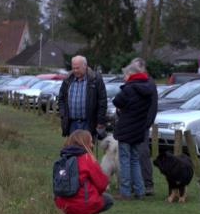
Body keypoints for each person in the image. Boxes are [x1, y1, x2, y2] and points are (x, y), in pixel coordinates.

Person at [112, 61, 156, 200]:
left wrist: (123, 108)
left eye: (125, 74)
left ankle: (125, 191)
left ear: (131, 74)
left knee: (125, 160)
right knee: (135, 160)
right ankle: (140, 190)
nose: (124, 77)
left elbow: (116, 102)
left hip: (126, 128)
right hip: (139, 129)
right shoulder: (148, 88)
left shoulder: (128, 89)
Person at [54, 130, 113, 214]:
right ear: (85, 143)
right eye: (90, 141)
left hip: (62, 203)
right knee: (108, 200)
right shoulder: (87, 158)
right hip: (83, 203)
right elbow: (102, 183)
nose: (92, 144)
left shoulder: (62, 158)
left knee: (74, 193)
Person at [58, 55, 107, 138]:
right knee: (72, 149)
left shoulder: (95, 79)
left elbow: (102, 102)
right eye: (73, 68)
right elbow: (61, 99)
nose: (75, 70)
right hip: (71, 123)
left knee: (86, 149)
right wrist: (63, 114)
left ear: (85, 66)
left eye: (77, 68)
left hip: (88, 123)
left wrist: (100, 122)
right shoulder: (67, 79)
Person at [130, 57, 158, 196]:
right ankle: (135, 183)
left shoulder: (149, 83)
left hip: (142, 125)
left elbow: (152, 107)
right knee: (133, 155)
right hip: (133, 124)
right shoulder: (136, 81)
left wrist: (146, 124)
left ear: (142, 68)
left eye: (135, 69)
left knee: (142, 154)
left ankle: (148, 184)